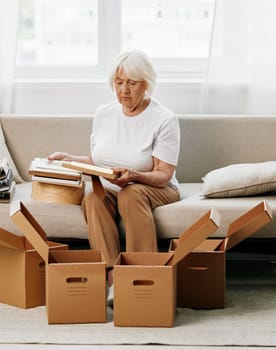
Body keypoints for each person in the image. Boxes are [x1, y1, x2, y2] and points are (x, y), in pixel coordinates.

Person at [48, 49, 181, 302]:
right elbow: (98, 160)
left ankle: (142, 275)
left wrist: (134, 176)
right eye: (119, 83)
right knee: (92, 199)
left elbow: (163, 174)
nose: (124, 90)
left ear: (147, 84)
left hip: (155, 188)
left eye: (132, 83)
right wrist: (70, 159)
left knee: (130, 194)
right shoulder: (104, 113)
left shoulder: (164, 118)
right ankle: (111, 280)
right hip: (111, 188)